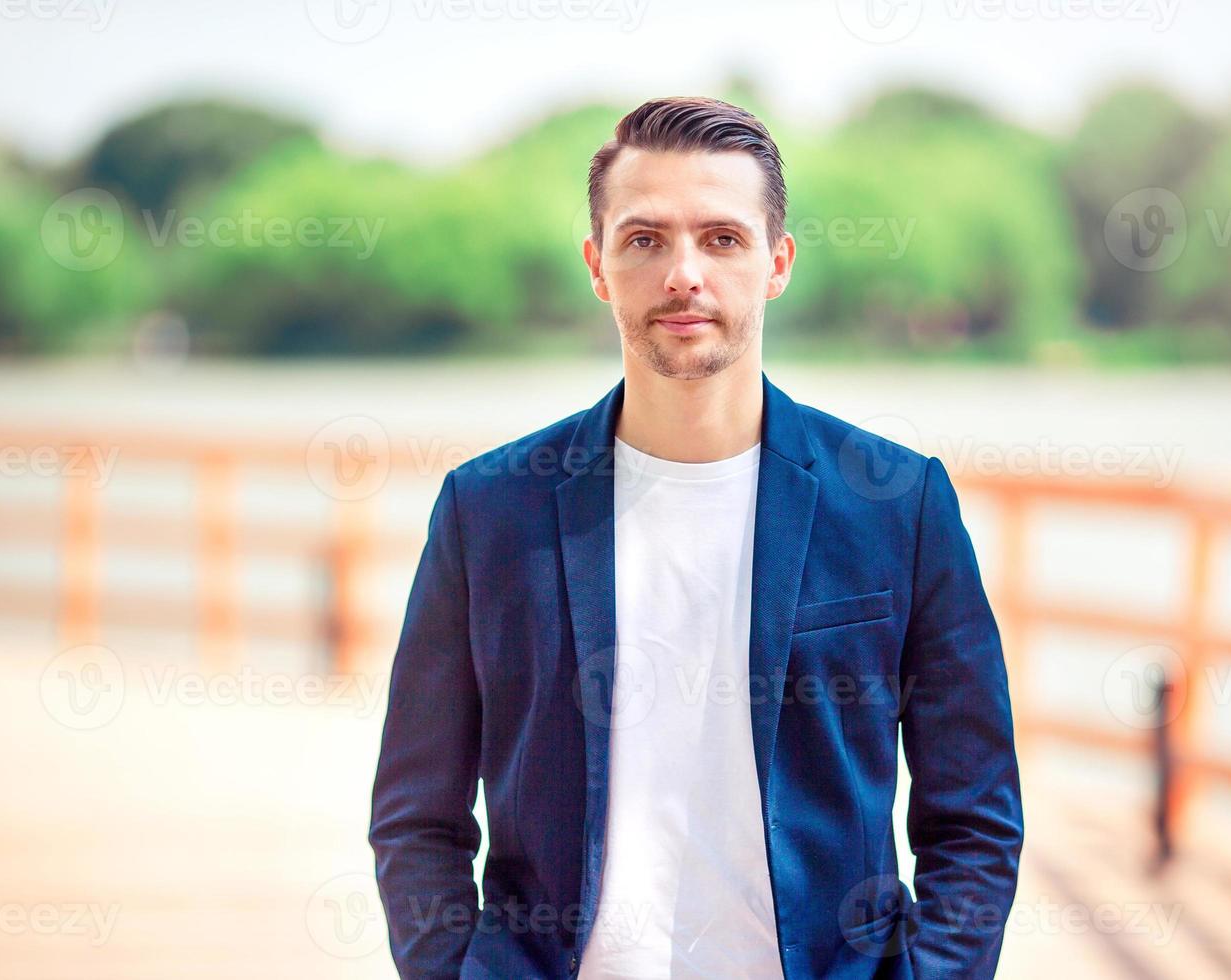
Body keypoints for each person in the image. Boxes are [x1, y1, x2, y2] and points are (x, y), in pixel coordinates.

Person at [369, 95, 1023, 980]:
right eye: (646, 240)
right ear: (598, 265)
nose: (684, 273)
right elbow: (418, 815)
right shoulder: (488, 512)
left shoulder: (898, 506)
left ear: (776, 262)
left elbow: (974, 818)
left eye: (722, 238)